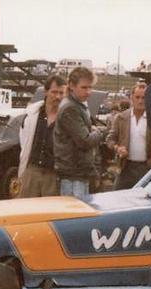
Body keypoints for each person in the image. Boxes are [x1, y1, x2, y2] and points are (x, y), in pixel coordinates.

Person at [53, 67, 104, 198]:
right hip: (73, 175)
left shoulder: (76, 105)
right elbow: (85, 141)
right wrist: (98, 132)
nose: (89, 92)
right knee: (75, 214)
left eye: (90, 87)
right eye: (84, 87)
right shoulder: (71, 108)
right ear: (71, 86)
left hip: (76, 173)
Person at [17, 74, 66, 198]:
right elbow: (24, 141)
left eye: (61, 93)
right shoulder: (32, 114)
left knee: (50, 213)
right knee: (26, 212)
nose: (58, 96)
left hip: (54, 175)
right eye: (54, 92)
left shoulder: (67, 117)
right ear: (45, 91)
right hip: (32, 171)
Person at [106, 83, 151, 190]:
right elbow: (110, 139)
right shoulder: (121, 117)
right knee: (117, 198)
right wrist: (118, 148)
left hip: (147, 168)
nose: (140, 101)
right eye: (137, 97)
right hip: (126, 167)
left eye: (144, 98)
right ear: (131, 98)